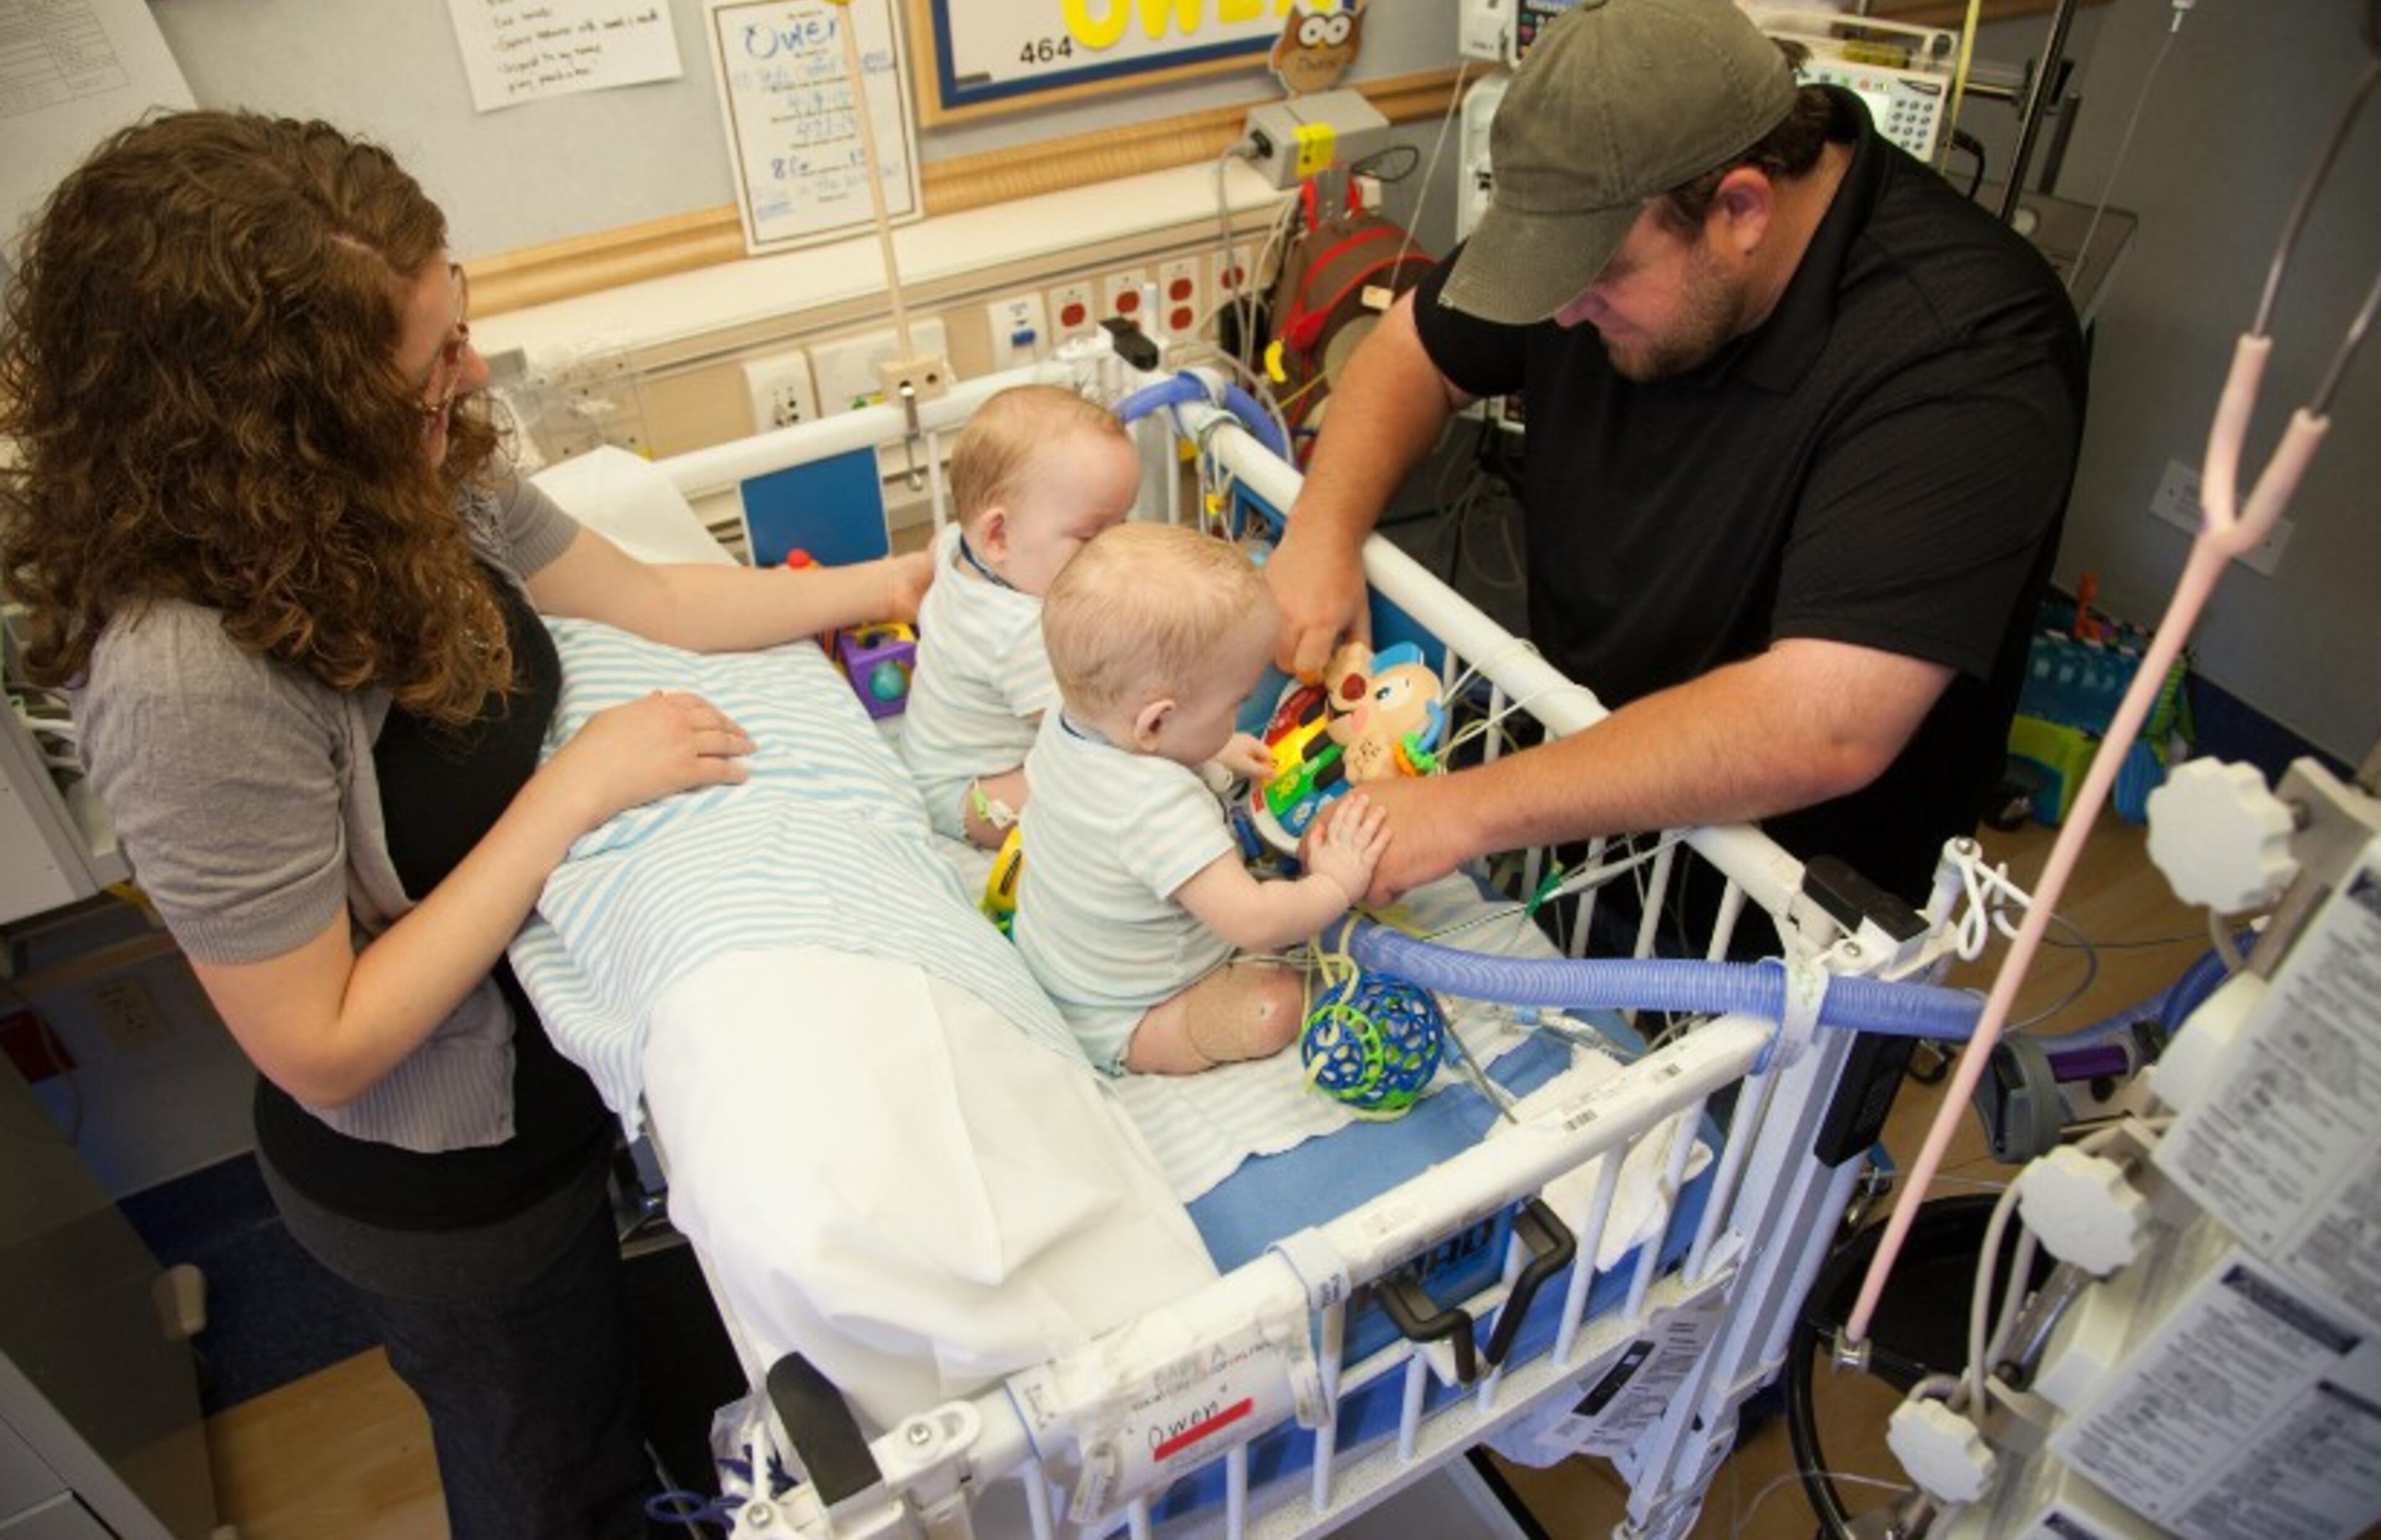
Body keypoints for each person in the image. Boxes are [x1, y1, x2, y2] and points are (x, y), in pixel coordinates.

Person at [0, 111, 929, 1540]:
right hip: (441, 1181)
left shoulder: (407, 471)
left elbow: (658, 599)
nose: (468, 372)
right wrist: (573, 791)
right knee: (545, 1475)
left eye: (458, 322)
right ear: (274, 419)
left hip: (560, 1087)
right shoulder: (184, 674)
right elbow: (323, 1037)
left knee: (636, 1394)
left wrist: (927, 571)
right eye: (432, 357)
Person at [1266, 0, 2087, 910]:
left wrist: (1463, 812)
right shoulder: (1620, 224)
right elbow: (1414, 349)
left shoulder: (1969, 352)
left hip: (1779, 899)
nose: (1563, 314)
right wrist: (1323, 528)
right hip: (1579, 801)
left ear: (1740, 209)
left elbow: (1822, 722)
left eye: (1596, 280)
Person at [1015, 523, 1388, 1075]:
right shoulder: (1155, 809)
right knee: (1274, 1007)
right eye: (1235, 705)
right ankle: (1157, 1042)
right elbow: (1255, 921)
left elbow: (1137, 766)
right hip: (1126, 1012)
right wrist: (1335, 884)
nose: (1239, 715)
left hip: (1057, 959)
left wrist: (1215, 748)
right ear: (1157, 722)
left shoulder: (1070, 724)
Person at [899, 383, 1139, 846]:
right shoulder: (1020, 633)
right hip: (970, 796)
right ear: (999, 536)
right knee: (1097, 788)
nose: (1117, 550)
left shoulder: (958, 544)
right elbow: (1090, 726)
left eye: (1123, 525)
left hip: (930, 759)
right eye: (1091, 535)